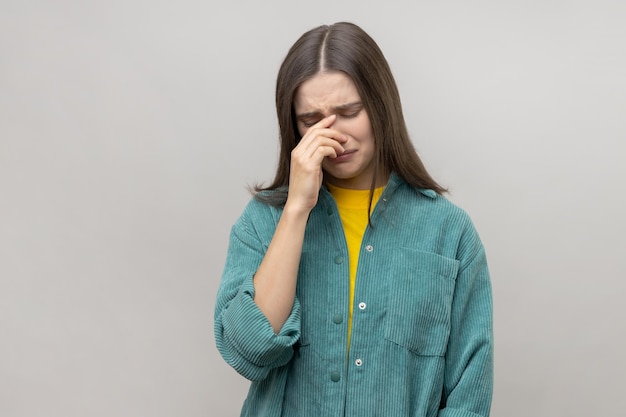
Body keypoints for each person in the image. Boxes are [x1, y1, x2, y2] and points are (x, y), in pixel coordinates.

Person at [214, 22, 493, 417]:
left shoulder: (449, 233)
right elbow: (248, 350)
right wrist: (295, 210)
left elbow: (470, 393)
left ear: (380, 106)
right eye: (311, 119)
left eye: (349, 112)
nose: (333, 134)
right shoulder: (263, 221)